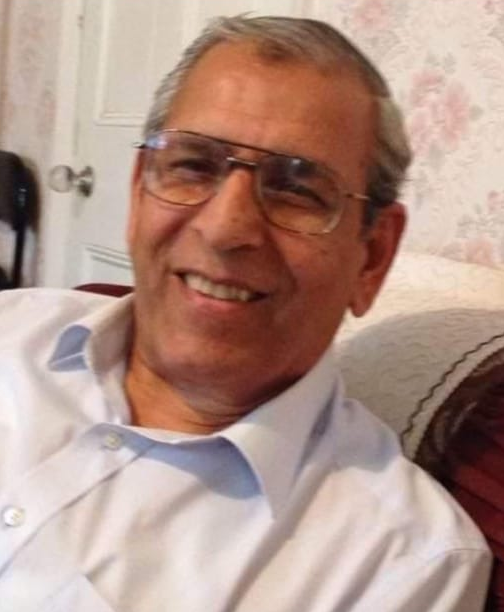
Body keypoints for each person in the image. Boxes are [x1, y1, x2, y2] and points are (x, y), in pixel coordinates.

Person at [0, 15, 491, 612]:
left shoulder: (402, 566)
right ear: (138, 193)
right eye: (193, 165)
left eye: (297, 188)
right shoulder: (13, 324)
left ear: (372, 257)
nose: (224, 227)